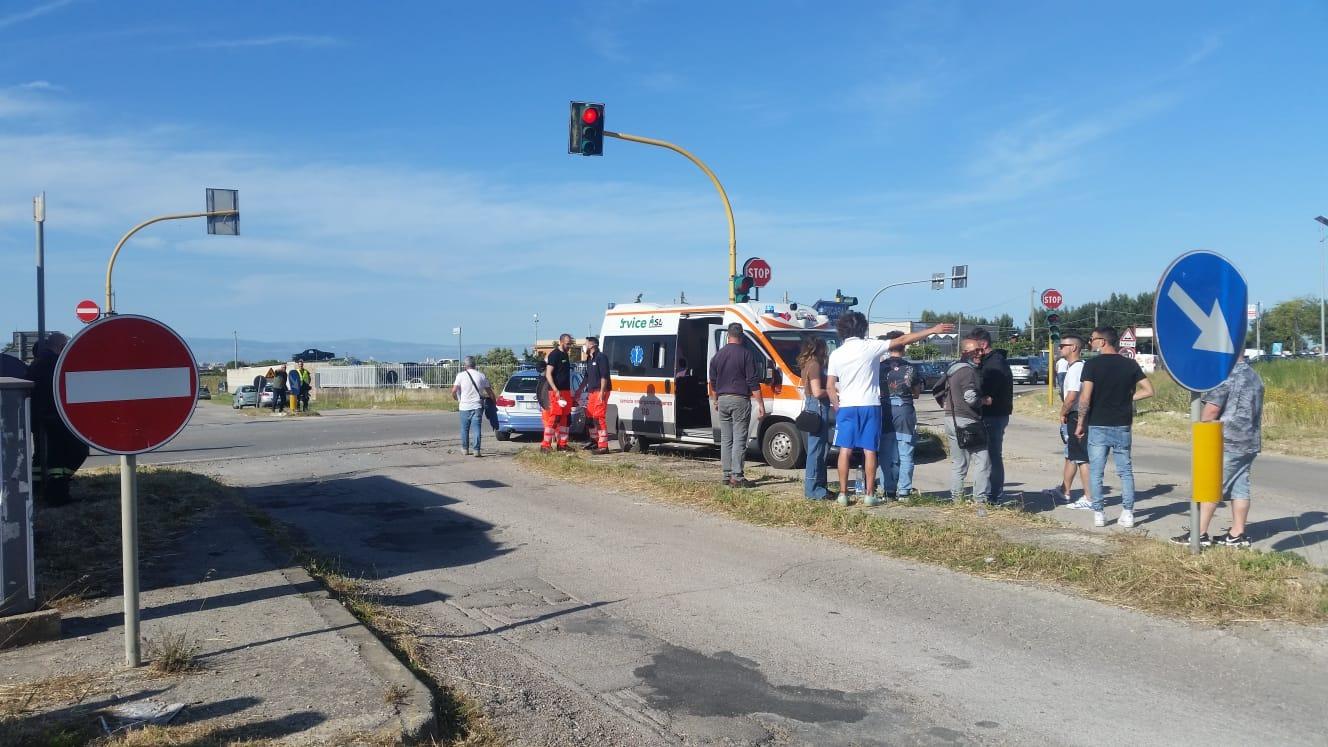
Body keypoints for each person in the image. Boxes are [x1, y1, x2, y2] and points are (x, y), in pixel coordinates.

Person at [828, 313, 950, 506]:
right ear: (863, 328)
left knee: (845, 449)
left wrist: (837, 406)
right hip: (870, 404)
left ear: (842, 330)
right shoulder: (870, 346)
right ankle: (869, 494)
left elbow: (830, 386)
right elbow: (902, 340)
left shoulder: (836, 354)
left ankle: (843, 494)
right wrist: (932, 330)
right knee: (870, 450)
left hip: (847, 406)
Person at [1171, 355, 1264, 548]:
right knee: (1240, 487)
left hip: (1226, 440)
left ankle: (1199, 534)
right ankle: (1237, 534)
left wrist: (1201, 432)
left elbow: (1211, 411)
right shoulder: (1254, 375)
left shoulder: (1225, 377)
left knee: (1212, 486)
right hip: (1249, 440)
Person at [1074, 326, 1154, 528]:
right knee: (1125, 471)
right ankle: (1128, 513)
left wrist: (1081, 423)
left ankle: (1099, 514)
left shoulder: (1091, 365)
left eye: (1092, 339)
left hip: (1098, 424)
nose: (1090, 342)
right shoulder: (1130, 364)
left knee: (1096, 472)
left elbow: (1085, 397)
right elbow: (1149, 390)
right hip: (1122, 424)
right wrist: (1127, 399)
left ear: (1102, 341)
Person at [26, 334, 89, 506]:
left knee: (41, 455)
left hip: (38, 417)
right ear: (61, 346)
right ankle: (57, 490)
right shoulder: (55, 362)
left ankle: (38, 488)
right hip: (55, 417)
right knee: (76, 450)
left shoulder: (38, 363)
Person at [708, 322, 764, 487]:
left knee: (726, 439)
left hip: (723, 399)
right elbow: (753, 382)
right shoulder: (746, 355)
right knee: (739, 438)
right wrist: (760, 404)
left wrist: (715, 399)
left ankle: (726, 475)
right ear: (742, 337)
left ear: (728, 336)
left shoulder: (717, 356)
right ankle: (737, 476)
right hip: (740, 399)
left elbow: (713, 380)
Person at [941, 337, 991, 506]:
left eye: (981, 350)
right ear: (965, 352)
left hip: (951, 418)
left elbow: (939, 391)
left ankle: (956, 499)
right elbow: (970, 397)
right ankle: (980, 499)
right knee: (982, 461)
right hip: (968, 421)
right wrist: (984, 401)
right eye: (975, 350)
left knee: (958, 462)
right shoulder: (968, 371)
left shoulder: (952, 369)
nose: (980, 353)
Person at [969, 328, 1013, 502]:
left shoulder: (994, 363)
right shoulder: (991, 361)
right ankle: (992, 491)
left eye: (973, 345)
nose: (971, 350)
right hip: (995, 414)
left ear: (983, 344)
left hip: (993, 415)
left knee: (991, 454)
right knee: (990, 454)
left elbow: (987, 391)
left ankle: (993, 493)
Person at [1044, 335, 1090, 504]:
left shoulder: (1077, 368)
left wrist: (1063, 412)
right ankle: (1065, 490)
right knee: (1071, 454)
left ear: (1074, 348)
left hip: (1076, 415)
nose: (1059, 348)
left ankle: (1089, 497)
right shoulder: (1072, 367)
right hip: (1075, 415)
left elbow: (1072, 396)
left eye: (1063, 345)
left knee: (1082, 457)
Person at [876, 331, 921, 499]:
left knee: (887, 452)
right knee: (906, 452)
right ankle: (905, 491)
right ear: (904, 346)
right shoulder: (910, 368)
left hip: (885, 410)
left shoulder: (879, 367)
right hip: (905, 411)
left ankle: (888, 489)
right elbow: (916, 392)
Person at [798, 336, 832, 500]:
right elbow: (818, 392)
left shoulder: (807, 364)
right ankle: (813, 490)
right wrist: (833, 391)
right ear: (818, 348)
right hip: (818, 406)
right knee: (817, 450)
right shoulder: (815, 365)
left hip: (812, 406)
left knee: (819, 449)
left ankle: (819, 486)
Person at [451, 356, 494, 457]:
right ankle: (476, 450)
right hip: (477, 406)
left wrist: (457, 399)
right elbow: (490, 392)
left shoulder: (460, 376)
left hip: (464, 406)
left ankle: (465, 449)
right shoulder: (481, 376)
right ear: (475, 365)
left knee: (464, 429)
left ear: (465, 365)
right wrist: (494, 402)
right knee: (477, 428)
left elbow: (454, 391)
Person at [577, 336, 612, 455]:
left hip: (600, 391)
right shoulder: (589, 358)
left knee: (598, 417)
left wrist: (602, 392)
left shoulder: (601, 357)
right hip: (591, 392)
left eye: (586, 343)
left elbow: (604, 376)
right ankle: (594, 441)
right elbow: (586, 377)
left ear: (592, 345)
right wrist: (579, 390)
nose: (585, 346)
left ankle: (603, 446)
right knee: (590, 417)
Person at [543, 334, 576, 452]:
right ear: (561, 342)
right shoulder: (554, 355)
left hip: (566, 391)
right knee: (555, 417)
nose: (569, 346)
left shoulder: (566, 355)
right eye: (567, 344)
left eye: (570, 344)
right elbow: (548, 374)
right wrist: (555, 389)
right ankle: (545, 445)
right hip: (556, 391)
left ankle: (562, 444)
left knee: (565, 418)